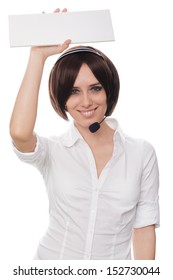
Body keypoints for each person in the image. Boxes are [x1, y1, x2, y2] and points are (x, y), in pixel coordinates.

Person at [9, 9, 160, 260]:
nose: (86, 102)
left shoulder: (141, 153)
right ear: (62, 99)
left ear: (108, 90)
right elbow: (19, 133)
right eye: (73, 91)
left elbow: (144, 228)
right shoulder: (53, 151)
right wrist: (38, 56)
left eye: (95, 88)